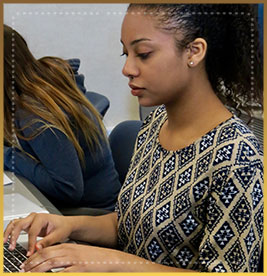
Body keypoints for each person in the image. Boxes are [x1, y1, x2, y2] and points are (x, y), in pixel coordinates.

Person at [4, 4, 263, 272]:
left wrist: (115, 263)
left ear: (193, 52)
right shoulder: (155, 124)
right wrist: (69, 225)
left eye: (143, 54)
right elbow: (132, 227)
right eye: (125, 53)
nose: (127, 68)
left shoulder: (237, 157)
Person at [4, 24, 121, 211]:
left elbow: (67, 189)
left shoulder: (34, 113)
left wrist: (8, 156)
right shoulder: (36, 81)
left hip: (93, 215)